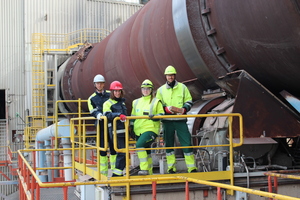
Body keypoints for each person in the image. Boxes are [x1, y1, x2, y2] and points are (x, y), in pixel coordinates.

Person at [156, 65, 197, 173]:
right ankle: (171, 167)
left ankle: (191, 167)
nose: (170, 77)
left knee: (187, 142)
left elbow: (188, 101)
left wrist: (184, 109)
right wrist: (166, 110)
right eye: (169, 75)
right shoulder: (160, 90)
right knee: (169, 144)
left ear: (175, 75)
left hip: (180, 120)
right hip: (167, 121)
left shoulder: (183, 87)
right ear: (166, 76)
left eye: (172, 75)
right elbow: (158, 105)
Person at [131, 79, 164, 175]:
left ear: (151, 90)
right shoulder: (136, 102)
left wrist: (155, 117)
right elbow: (133, 117)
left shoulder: (156, 101)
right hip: (138, 130)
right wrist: (131, 129)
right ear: (141, 90)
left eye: (148, 89)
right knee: (146, 151)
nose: (145, 90)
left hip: (151, 129)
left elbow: (161, 114)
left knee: (139, 145)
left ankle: (144, 169)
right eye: (144, 89)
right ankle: (149, 172)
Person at [88, 74, 115, 176]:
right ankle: (103, 173)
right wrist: (98, 114)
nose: (99, 85)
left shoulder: (110, 94)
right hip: (100, 125)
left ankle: (115, 172)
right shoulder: (92, 98)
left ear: (104, 84)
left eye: (101, 83)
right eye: (97, 83)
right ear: (95, 85)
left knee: (114, 146)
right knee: (102, 148)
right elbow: (92, 110)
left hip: (112, 125)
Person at [103, 81, 127, 177]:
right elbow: (107, 115)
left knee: (123, 152)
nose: (117, 93)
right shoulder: (108, 103)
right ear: (112, 92)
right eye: (115, 91)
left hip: (123, 131)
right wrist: (118, 115)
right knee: (121, 152)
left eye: (119, 91)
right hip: (115, 131)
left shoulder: (122, 103)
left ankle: (118, 173)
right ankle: (116, 175)